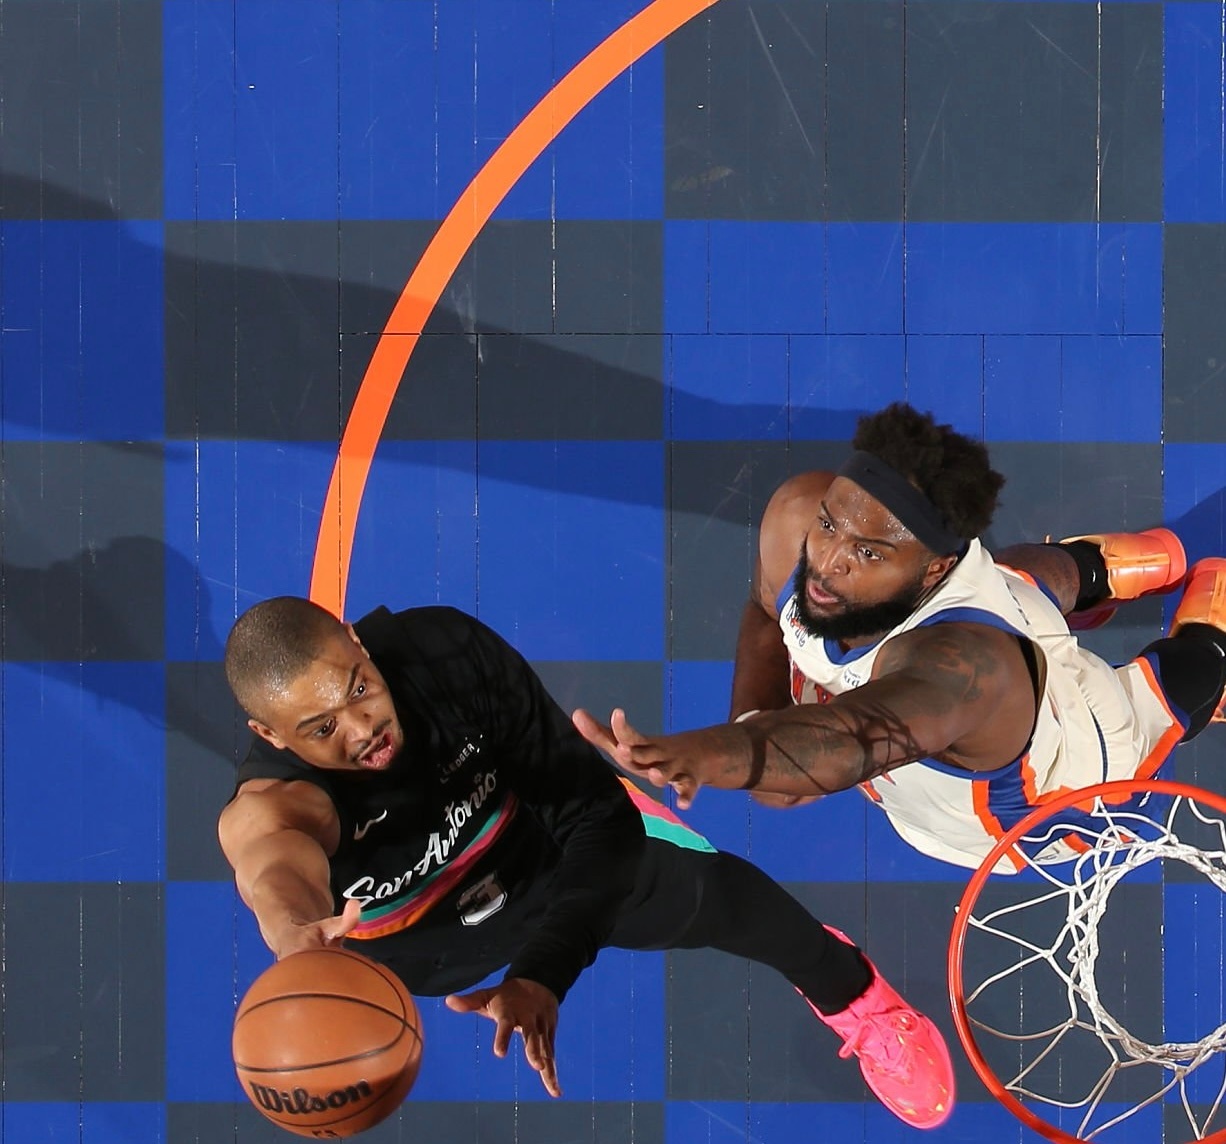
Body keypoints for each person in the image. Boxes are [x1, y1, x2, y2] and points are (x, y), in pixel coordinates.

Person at [218, 598, 956, 1128]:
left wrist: (543, 972)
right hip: (423, 947)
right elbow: (273, 866)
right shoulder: (277, 805)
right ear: (270, 736)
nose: (362, 728)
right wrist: (292, 933)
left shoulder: (444, 655)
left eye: (359, 687)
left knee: (725, 900)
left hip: (545, 851)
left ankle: (858, 998)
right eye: (320, 728)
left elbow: (595, 821)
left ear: (357, 641)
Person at [575, 403, 1226, 874]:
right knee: (1012, 582)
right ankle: (1117, 563)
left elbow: (850, 741)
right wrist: (752, 719)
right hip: (986, 622)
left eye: (868, 551)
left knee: (1186, 678)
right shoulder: (800, 515)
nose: (828, 562)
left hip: (1059, 785)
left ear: (938, 571)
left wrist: (711, 754)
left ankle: (1204, 618)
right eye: (831, 524)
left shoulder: (965, 668)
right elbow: (765, 608)